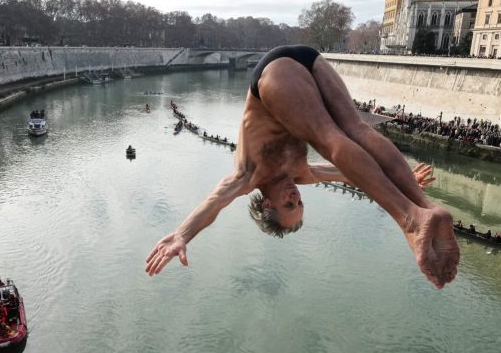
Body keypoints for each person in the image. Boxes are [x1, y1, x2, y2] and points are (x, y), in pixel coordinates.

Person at [145, 45, 459, 289]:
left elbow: (214, 203)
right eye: (299, 203)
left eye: (289, 204)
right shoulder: (301, 175)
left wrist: (182, 235)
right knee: (357, 129)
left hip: (273, 74)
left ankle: (411, 219)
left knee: (330, 139)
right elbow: (352, 176)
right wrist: (406, 180)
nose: (296, 197)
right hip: (311, 60)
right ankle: (425, 207)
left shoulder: (248, 175)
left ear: (267, 204)